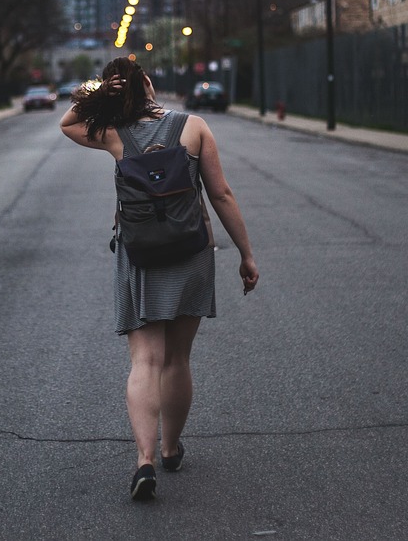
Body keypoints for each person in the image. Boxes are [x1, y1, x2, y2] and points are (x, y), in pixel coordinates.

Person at [60, 56, 259, 502]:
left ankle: (144, 460)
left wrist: (101, 93)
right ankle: (171, 448)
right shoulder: (193, 126)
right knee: (177, 360)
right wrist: (246, 254)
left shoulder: (114, 134)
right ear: (149, 84)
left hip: (141, 254)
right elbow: (221, 193)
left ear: (118, 90)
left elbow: (67, 123)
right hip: (191, 252)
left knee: (145, 362)